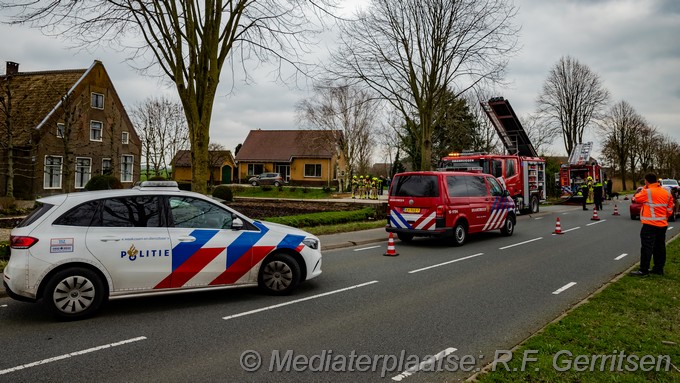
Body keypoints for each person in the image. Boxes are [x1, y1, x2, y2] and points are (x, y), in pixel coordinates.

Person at [630, 173, 674, 276]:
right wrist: (664, 217)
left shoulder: (647, 191)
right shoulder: (666, 192)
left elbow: (635, 198)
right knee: (660, 247)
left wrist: (645, 187)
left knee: (647, 247)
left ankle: (643, 270)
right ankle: (658, 268)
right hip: (662, 224)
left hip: (650, 224)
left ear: (647, 181)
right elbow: (670, 209)